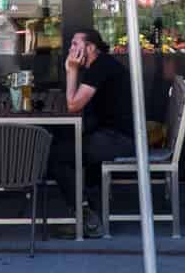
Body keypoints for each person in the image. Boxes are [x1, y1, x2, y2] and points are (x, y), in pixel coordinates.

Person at [51, 28, 137, 237]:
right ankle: (90, 210)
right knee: (64, 143)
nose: (70, 49)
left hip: (119, 139)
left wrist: (71, 70)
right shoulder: (97, 65)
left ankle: (87, 219)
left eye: (75, 44)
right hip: (109, 133)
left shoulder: (101, 67)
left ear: (90, 47)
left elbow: (72, 105)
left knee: (56, 157)